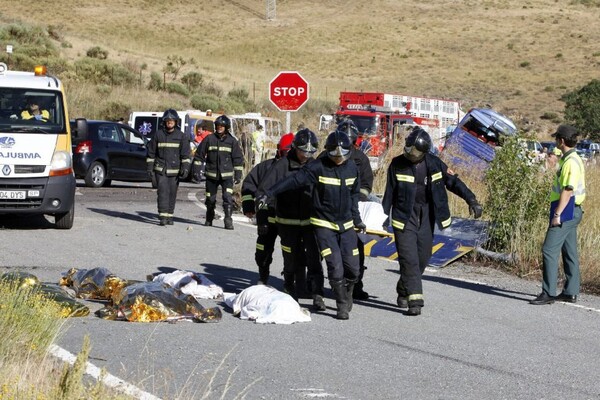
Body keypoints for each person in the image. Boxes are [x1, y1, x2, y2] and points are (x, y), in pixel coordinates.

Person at [260, 130, 366, 320]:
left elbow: (354, 196)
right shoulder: (318, 167)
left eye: (343, 155)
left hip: (346, 224)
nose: (339, 158)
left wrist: (357, 219)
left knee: (353, 268)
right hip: (322, 223)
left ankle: (348, 289)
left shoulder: (352, 169)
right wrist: (270, 193)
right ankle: (340, 304)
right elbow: (293, 180)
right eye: (335, 154)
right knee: (334, 265)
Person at [381, 127, 482, 316]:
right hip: (404, 216)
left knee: (422, 257)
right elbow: (389, 193)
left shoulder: (435, 164)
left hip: (427, 215)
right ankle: (415, 301)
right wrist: (383, 215)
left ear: (425, 152)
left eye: (416, 151)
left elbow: (454, 182)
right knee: (408, 258)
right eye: (409, 148)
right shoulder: (397, 164)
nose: (411, 153)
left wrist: (472, 200)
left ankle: (404, 289)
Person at [256, 129, 322, 307]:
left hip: (310, 223)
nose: (306, 156)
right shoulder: (282, 166)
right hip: (287, 222)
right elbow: (263, 193)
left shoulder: (315, 165)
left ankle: (317, 293)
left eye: (310, 152)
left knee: (314, 258)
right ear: (294, 148)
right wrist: (262, 219)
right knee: (291, 258)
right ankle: (289, 287)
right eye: (303, 151)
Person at [530, 125, 586, 305]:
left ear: (561, 141)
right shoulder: (571, 158)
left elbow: (567, 191)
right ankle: (570, 291)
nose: (555, 142)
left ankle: (548, 293)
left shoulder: (570, 162)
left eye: (556, 139)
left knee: (549, 250)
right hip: (573, 211)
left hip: (566, 210)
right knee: (569, 252)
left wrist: (557, 214)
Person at [242, 133, 294, 285]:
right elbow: (249, 185)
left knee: (291, 252)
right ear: (279, 150)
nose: (288, 156)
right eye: (286, 152)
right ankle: (263, 275)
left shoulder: (299, 170)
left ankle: (290, 281)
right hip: (267, 217)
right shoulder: (265, 168)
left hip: (289, 219)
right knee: (262, 250)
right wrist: (249, 206)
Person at [337, 119, 374, 300]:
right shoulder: (326, 155)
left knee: (355, 250)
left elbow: (366, 186)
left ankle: (356, 285)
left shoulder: (361, 159)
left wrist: (356, 199)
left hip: (354, 211)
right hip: (331, 211)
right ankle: (315, 282)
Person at [192, 115, 244, 230]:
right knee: (210, 199)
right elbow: (199, 155)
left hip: (226, 177)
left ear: (226, 127)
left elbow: (238, 159)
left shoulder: (232, 141)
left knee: (227, 198)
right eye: (218, 126)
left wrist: (238, 174)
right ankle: (209, 217)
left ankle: (228, 220)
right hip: (211, 176)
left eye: (222, 126)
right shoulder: (209, 139)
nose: (220, 128)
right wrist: (196, 171)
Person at [146, 109, 191, 226]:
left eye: (172, 120)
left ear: (176, 122)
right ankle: (162, 216)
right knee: (162, 192)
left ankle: (170, 216)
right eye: (168, 120)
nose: (170, 122)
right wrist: (149, 168)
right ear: (164, 122)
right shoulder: (158, 134)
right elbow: (151, 153)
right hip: (161, 170)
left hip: (175, 171)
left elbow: (185, 155)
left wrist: (185, 168)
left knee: (172, 193)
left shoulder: (181, 136)